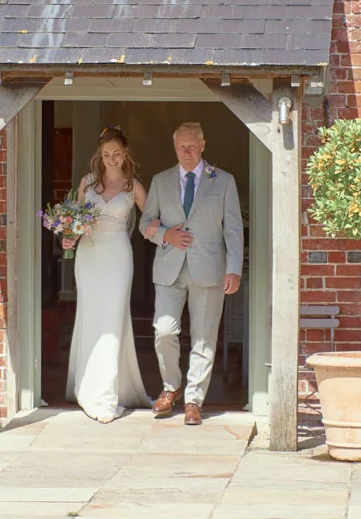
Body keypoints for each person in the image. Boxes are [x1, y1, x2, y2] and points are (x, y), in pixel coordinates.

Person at [138, 122, 243, 426]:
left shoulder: (223, 181)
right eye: (181, 146)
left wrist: (233, 269)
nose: (187, 151)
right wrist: (165, 235)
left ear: (203, 145)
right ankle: (172, 387)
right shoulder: (160, 181)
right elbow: (145, 223)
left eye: (192, 146)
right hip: (169, 269)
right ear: (174, 148)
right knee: (164, 331)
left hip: (210, 269)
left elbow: (233, 229)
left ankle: (194, 400)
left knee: (204, 338)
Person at [60, 127, 152, 423]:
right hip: (89, 257)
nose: (111, 159)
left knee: (113, 321)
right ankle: (89, 386)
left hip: (118, 257)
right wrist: (68, 236)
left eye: (116, 153)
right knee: (91, 318)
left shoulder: (133, 187)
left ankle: (107, 397)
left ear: (125, 153)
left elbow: (152, 221)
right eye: (106, 154)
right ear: (100, 156)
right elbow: (74, 221)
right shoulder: (87, 184)